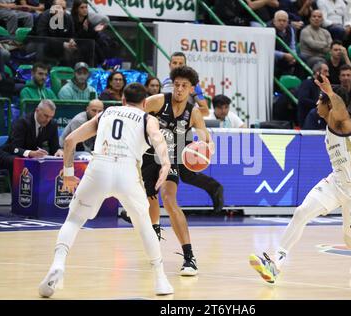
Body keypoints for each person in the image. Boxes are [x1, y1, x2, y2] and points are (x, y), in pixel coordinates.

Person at [249, 74, 351, 284]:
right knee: (302, 212)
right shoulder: (330, 126)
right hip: (336, 183)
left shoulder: (345, 123)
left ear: (330, 103)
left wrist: (331, 92)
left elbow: (341, 111)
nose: (317, 104)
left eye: (320, 100)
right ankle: (276, 262)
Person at [38, 83, 174, 298]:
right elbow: (156, 138)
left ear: (122, 100)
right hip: (127, 171)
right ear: (145, 103)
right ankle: (160, 279)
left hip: (99, 167)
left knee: (73, 220)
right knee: (145, 226)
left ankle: (58, 263)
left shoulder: (106, 113)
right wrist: (165, 163)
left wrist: (68, 172)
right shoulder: (148, 118)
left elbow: (71, 140)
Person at [141, 66, 215, 276]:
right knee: (150, 198)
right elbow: (133, 117)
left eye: (184, 86)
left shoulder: (193, 112)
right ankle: (155, 230)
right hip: (147, 157)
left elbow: (206, 139)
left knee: (169, 198)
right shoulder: (157, 101)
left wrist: (206, 149)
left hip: (171, 159)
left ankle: (189, 257)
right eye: (177, 85)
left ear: (192, 89)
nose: (180, 89)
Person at [160, 52, 224, 214]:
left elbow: (204, 109)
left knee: (180, 173)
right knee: (181, 174)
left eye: (181, 63)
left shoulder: (192, 86)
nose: (177, 65)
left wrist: (188, 116)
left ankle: (215, 187)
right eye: (174, 62)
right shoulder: (163, 83)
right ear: (170, 65)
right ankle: (214, 187)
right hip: (164, 132)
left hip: (182, 131)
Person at [0, 100, 63, 179]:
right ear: (37, 110)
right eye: (46, 116)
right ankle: (18, 190)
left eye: (51, 117)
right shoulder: (22, 122)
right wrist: (30, 153)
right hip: (10, 154)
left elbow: (55, 147)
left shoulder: (52, 125)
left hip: (33, 158)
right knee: (19, 161)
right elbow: (14, 148)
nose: (48, 120)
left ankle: (46, 190)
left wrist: (59, 151)